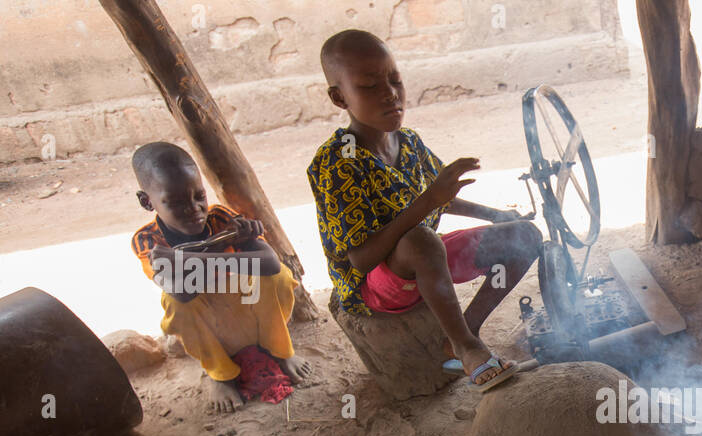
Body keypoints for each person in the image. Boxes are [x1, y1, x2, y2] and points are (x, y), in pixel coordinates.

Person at [308, 29, 542, 391]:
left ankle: (464, 333)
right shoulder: (338, 161)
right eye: (370, 86)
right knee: (420, 239)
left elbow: (441, 195)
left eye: (395, 80)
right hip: (375, 288)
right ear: (339, 98)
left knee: (524, 237)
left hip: (425, 263)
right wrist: (429, 201)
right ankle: (467, 348)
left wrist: (496, 216)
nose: (390, 93)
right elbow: (361, 259)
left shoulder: (409, 142)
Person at [130, 142, 310, 413]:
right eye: (176, 202)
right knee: (175, 305)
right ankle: (221, 374)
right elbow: (181, 292)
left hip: (252, 318)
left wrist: (190, 259)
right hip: (211, 331)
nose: (194, 208)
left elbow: (271, 265)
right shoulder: (148, 240)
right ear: (147, 201)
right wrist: (227, 253)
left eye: (199, 196)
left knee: (279, 278)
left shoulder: (221, 217)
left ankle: (280, 351)